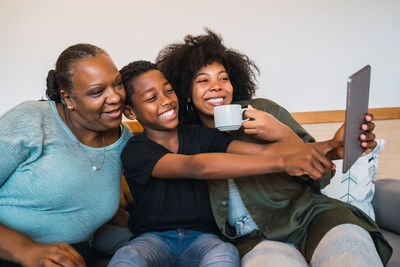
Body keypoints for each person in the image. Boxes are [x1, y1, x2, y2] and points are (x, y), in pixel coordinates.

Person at [155, 30, 392, 266]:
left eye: (223, 78)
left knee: (351, 257)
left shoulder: (263, 111)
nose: (216, 86)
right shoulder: (183, 139)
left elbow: (324, 175)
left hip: (313, 218)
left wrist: (284, 135)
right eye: (203, 80)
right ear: (186, 93)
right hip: (252, 240)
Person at [107, 61, 344, 267]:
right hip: (153, 239)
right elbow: (197, 167)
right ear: (130, 111)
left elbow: (261, 151)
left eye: (169, 91)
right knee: (128, 256)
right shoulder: (135, 149)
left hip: (204, 240)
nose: (166, 101)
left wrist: (329, 147)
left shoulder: (200, 135)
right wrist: (282, 163)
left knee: (225, 253)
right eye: (151, 98)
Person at [0, 43, 132, 267]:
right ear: (68, 98)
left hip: (74, 255)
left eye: (118, 84)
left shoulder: (124, 140)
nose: (115, 97)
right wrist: (27, 251)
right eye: (97, 92)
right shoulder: (32, 120)